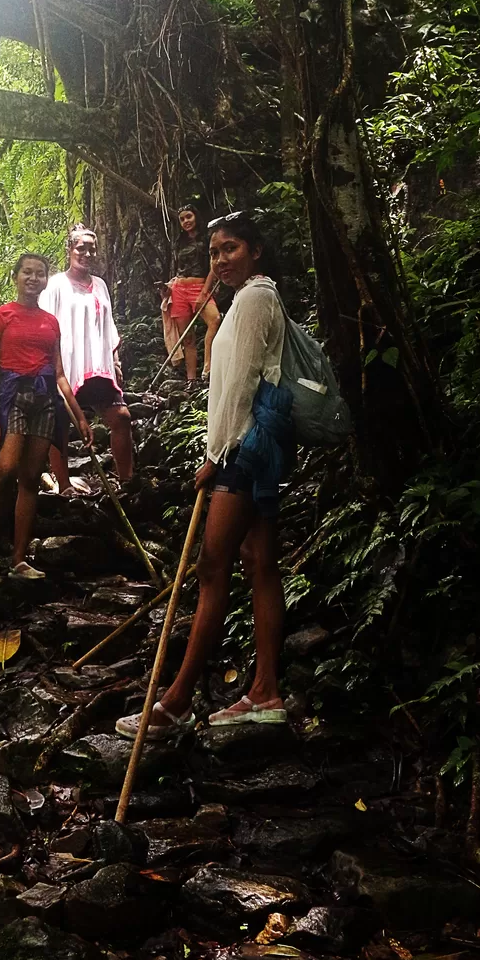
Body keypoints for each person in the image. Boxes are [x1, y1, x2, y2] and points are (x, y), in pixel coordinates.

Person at [116, 211, 293, 739]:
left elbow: (239, 386)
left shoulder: (257, 298)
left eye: (230, 248)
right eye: (214, 252)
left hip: (244, 451)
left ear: (256, 251)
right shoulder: (248, 299)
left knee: (213, 568)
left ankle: (175, 703)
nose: (220, 259)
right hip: (253, 448)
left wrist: (215, 455)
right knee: (260, 563)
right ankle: (265, 691)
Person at [0, 252, 92, 579]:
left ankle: (19, 559)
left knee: (30, 478)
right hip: (14, 395)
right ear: (16, 277)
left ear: (45, 279)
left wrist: (79, 417)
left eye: (39, 273)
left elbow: (59, 374)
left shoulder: (49, 321)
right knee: (6, 470)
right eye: (27, 272)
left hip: (44, 399)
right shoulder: (1, 316)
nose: (33, 278)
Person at [40, 224, 135, 494]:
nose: (87, 253)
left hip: (99, 366)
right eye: (81, 247)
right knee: (60, 424)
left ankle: (127, 481)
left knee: (122, 418)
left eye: (92, 248)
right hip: (67, 367)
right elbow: (47, 324)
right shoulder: (56, 284)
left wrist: (115, 361)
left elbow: (109, 325)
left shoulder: (101, 285)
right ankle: (64, 484)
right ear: (70, 249)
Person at [166, 203, 220, 382]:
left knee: (215, 320)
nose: (185, 221)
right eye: (182, 219)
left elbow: (214, 265)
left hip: (200, 286)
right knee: (187, 338)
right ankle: (191, 381)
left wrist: (205, 291)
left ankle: (208, 367)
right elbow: (177, 268)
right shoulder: (179, 242)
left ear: (196, 216)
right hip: (179, 289)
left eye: (188, 217)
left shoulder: (208, 238)